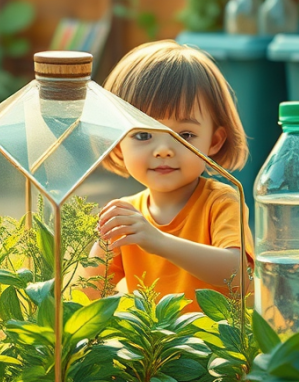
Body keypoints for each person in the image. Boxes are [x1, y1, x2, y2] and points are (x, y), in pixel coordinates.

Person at [84, 40, 254, 307]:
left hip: (214, 346)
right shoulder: (129, 216)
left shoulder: (220, 202)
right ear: (117, 140)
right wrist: (103, 248)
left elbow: (238, 274)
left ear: (214, 141)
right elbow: (86, 297)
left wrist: (158, 241)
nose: (163, 150)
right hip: (151, 348)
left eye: (185, 135)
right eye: (143, 134)